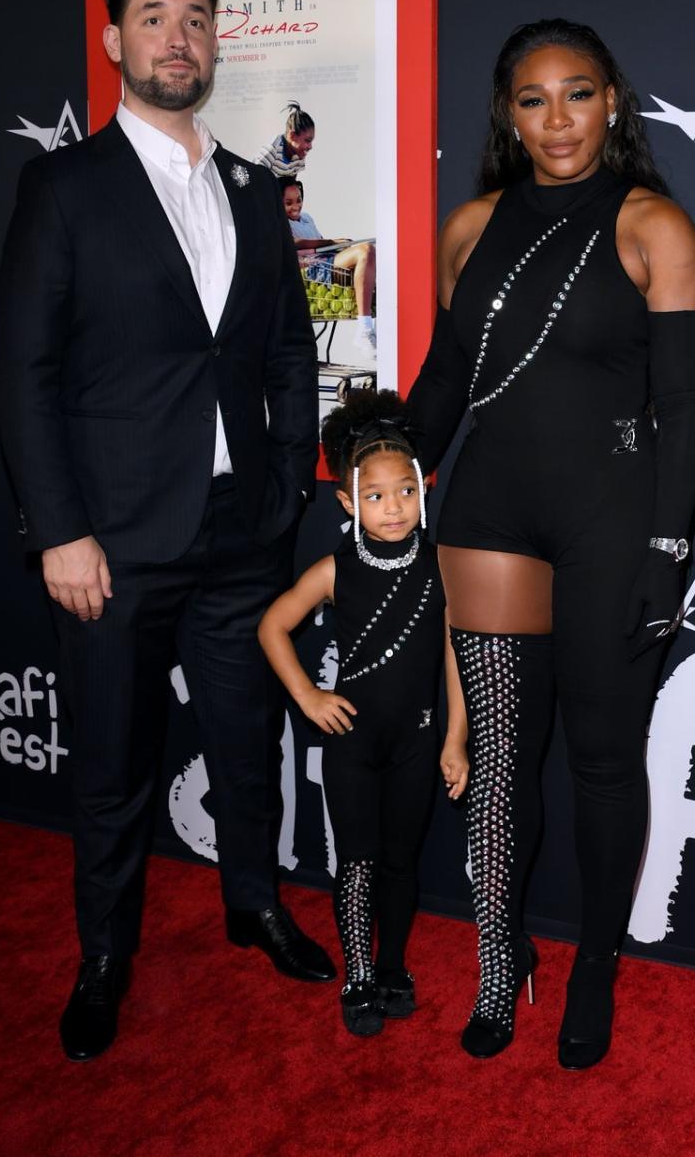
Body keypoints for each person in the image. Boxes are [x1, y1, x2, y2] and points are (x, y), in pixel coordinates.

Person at [0, 0, 336, 1064]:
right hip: (114, 544)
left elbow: (287, 346)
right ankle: (105, 957)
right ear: (113, 41)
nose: (176, 37)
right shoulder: (65, 185)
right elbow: (25, 372)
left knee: (249, 739)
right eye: (152, 17)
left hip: (244, 533)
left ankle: (256, 904)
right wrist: (63, 531)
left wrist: (288, 476)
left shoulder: (250, 184)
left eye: (194, 17)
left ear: (215, 37)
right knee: (112, 764)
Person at [407, 19, 695, 1069]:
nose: (557, 119)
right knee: (498, 762)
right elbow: (445, 386)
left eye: (576, 94)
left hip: (610, 526)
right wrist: (385, 459)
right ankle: (503, 960)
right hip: (489, 516)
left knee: (596, 759)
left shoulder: (653, 226)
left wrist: (667, 549)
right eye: (533, 100)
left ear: (612, 101)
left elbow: (684, 406)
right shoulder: (469, 227)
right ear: (507, 114)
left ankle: (592, 963)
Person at [259, 390, 466, 1037]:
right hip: (350, 743)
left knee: (401, 862)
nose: (393, 506)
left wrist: (455, 740)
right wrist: (308, 696)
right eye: (374, 496)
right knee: (357, 862)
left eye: (405, 491)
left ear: (422, 490)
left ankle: (394, 965)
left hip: (416, 740)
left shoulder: (442, 569)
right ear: (347, 503)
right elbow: (272, 626)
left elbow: (456, 659)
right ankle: (357, 974)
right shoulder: (332, 571)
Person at [281, 177, 377, 358]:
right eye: (288, 203)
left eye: (299, 200)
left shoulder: (307, 219)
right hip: (313, 272)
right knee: (365, 250)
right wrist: (331, 242)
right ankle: (364, 328)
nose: (296, 206)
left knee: (372, 255)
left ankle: (376, 325)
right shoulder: (278, 222)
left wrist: (337, 246)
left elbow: (321, 246)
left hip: (325, 263)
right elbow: (293, 243)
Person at [256, 100, 315, 178]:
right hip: (262, 185)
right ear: (292, 136)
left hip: (280, 186)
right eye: (307, 141)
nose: (310, 147)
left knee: (293, 189)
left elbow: (292, 183)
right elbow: (254, 178)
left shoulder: (299, 155)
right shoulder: (272, 151)